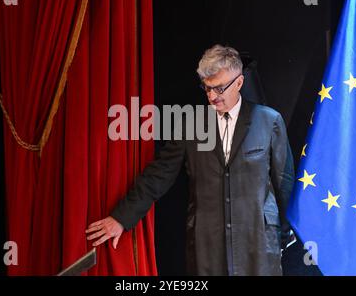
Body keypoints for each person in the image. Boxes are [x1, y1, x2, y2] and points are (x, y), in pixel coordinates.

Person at [86, 45, 294, 276]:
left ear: (239, 83)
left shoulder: (269, 121)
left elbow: (283, 183)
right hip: (207, 249)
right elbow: (159, 174)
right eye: (207, 88)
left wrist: (281, 235)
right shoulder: (190, 126)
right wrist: (121, 218)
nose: (212, 96)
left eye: (219, 88)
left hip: (258, 247)